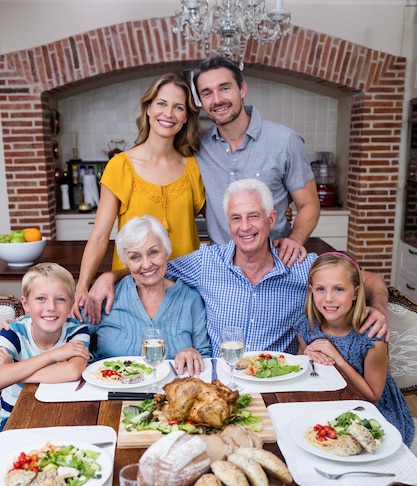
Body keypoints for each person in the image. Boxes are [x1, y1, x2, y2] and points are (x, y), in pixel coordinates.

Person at [78, 179, 389, 356]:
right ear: (227, 224)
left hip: (276, 380)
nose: (245, 227)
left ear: (271, 219)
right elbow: (151, 266)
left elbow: (369, 280)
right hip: (221, 381)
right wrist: (109, 275)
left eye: (253, 216)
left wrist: (378, 309)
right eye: (236, 218)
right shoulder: (205, 263)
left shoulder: (299, 266)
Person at [72, 72, 205, 319]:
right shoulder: (120, 166)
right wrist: (83, 284)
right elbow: (100, 236)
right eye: (162, 104)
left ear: (186, 117)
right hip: (132, 289)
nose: (169, 113)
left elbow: (224, 223)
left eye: (178, 107)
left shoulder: (195, 167)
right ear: (148, 108)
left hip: (186, 293)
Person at [192, 54, 321, 268]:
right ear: (201, 101)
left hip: (275, 263)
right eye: (207, 93)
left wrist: (295, 239)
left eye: (225, 88)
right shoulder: (198, 147)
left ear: (242, 89)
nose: (217, 100)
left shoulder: (285, 142)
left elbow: (309, 204)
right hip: (220, 269)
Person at [295, 252, 414, 446]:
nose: (328, 298)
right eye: (320, 289)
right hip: (325, 404)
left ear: (356, 293)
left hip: (371, 413)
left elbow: (372, 397)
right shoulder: (307, 326)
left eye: (339, 289)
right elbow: (302, 371)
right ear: (311, 291)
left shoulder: (372, 337)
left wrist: (338, 358)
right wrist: (305, 356)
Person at [83, 215, 211, 375]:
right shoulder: (106, 295)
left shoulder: (190, 299)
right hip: (110, 392)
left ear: (166, 251)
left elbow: (205, 355)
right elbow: (74, 340)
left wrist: (193, 354)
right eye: (135, 257)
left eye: (153, 252)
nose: (146, 264)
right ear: (125, 261)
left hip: (170, 393)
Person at [0, 263, 90, 429]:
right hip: (12, 422)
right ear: (26, 304)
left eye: (60, 299)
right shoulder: (13, 331)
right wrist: (52, 355)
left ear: (71, 304)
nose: (50, 307)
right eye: (41, 298)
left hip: (59, 418)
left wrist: (13, 372)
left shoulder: (76, 330)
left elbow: (72, 371)